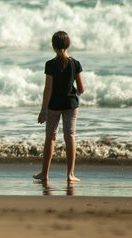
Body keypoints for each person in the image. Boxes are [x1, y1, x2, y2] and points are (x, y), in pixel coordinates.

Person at [34, 31, 85, 182]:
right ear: (68, 45)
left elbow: (48, 90)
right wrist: (74, 92)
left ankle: (44, 174)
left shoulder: (50, 65)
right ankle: (70, 174)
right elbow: (81, 89)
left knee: (50, 138)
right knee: (70, 136)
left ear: (53, 46)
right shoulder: (75, 64)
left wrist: (43, 110)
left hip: (53, 106)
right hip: (71, 104)